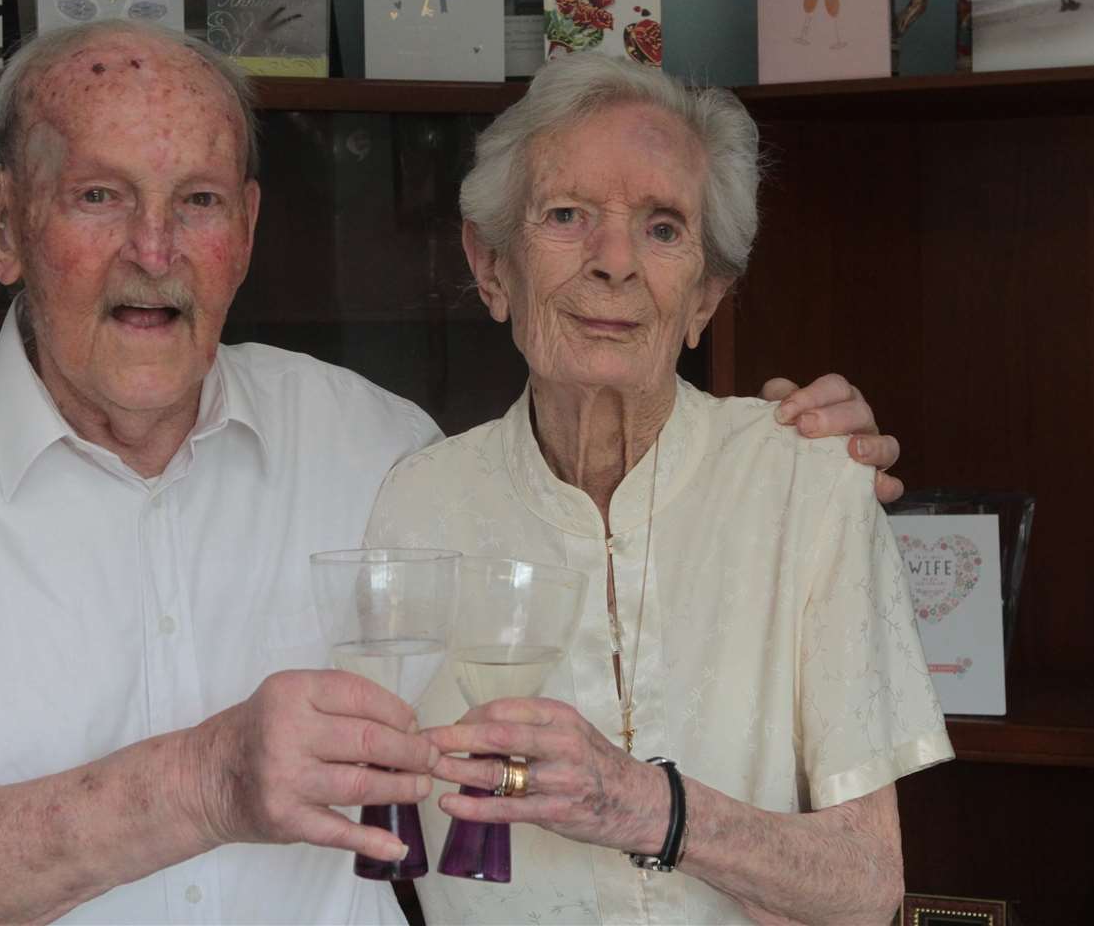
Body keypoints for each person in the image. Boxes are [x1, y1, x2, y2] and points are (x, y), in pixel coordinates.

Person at [0, 20, 903, 924]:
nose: (154, 250)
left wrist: (797, 458)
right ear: (3, 225)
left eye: (198, 202)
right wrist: (209, 781)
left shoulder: (382, 450)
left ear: (244, 234)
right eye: (100, 196)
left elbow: (597, 526)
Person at [364, 54, 954, 924]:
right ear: (492, 267)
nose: (615, 264)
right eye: (567, 216)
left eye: (664, 228)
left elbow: (866, 887)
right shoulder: (414, 503)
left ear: (706, 300)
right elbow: (386, 839)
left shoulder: (807, 480)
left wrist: (643, 804)